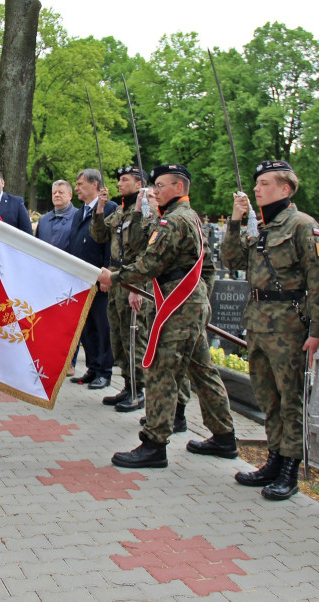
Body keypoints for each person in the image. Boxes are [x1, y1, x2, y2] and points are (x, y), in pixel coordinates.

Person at [98, 164, 236, 467]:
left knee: (162, 370)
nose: (154, 191)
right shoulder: (190, 217)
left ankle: (154, 444)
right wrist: (199, 297)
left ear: (179, 188)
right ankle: (225, 437)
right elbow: (207, 267)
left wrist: (116, 277)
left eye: (160, 185)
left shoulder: (173, 221)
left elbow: (148, 264)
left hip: (178, 305)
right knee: (202, 369)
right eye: (154, 185)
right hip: (187, 301)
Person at [222, 160, 319, 500]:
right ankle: (273, 458)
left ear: (285, 189)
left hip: (288, 326)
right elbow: (231, 260)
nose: (257, 189)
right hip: (258, 322)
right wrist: (236, 220)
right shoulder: (261, 228)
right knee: (267, 397)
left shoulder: (301, 225)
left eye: (265, 183)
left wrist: (316, 330)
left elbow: (318, 282)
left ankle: (290, 468)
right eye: (257, 183)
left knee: (290, 399)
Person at [90, 166, 150, 412]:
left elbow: (142, 245)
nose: (119, 183)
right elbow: (99, 235)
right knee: (118, 337)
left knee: (133, 336)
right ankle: (127, 384)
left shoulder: (146, 210)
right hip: (116, 279)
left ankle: (139, 391)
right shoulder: (120, 210)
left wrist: (137, 285)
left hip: (133, 279)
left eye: (125, 180)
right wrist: (101, 208)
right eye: (119, 179)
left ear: (139, 184)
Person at [67, 169, 117, 389]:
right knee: (86, 327)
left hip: (99, 278)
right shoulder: (80, 212)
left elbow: (111, 244)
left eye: (80, 184)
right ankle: (93, 367)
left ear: (95, 185)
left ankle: (104, 372)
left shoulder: (109, 208)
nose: (76, 188)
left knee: (101, 326)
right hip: (81, 279)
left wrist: (108, 274)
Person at [35, 180, 77, 249]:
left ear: (70, 196)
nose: (57, 195)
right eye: (54, 193)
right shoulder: (43, 221)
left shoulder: (79, 219)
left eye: (61, 192)